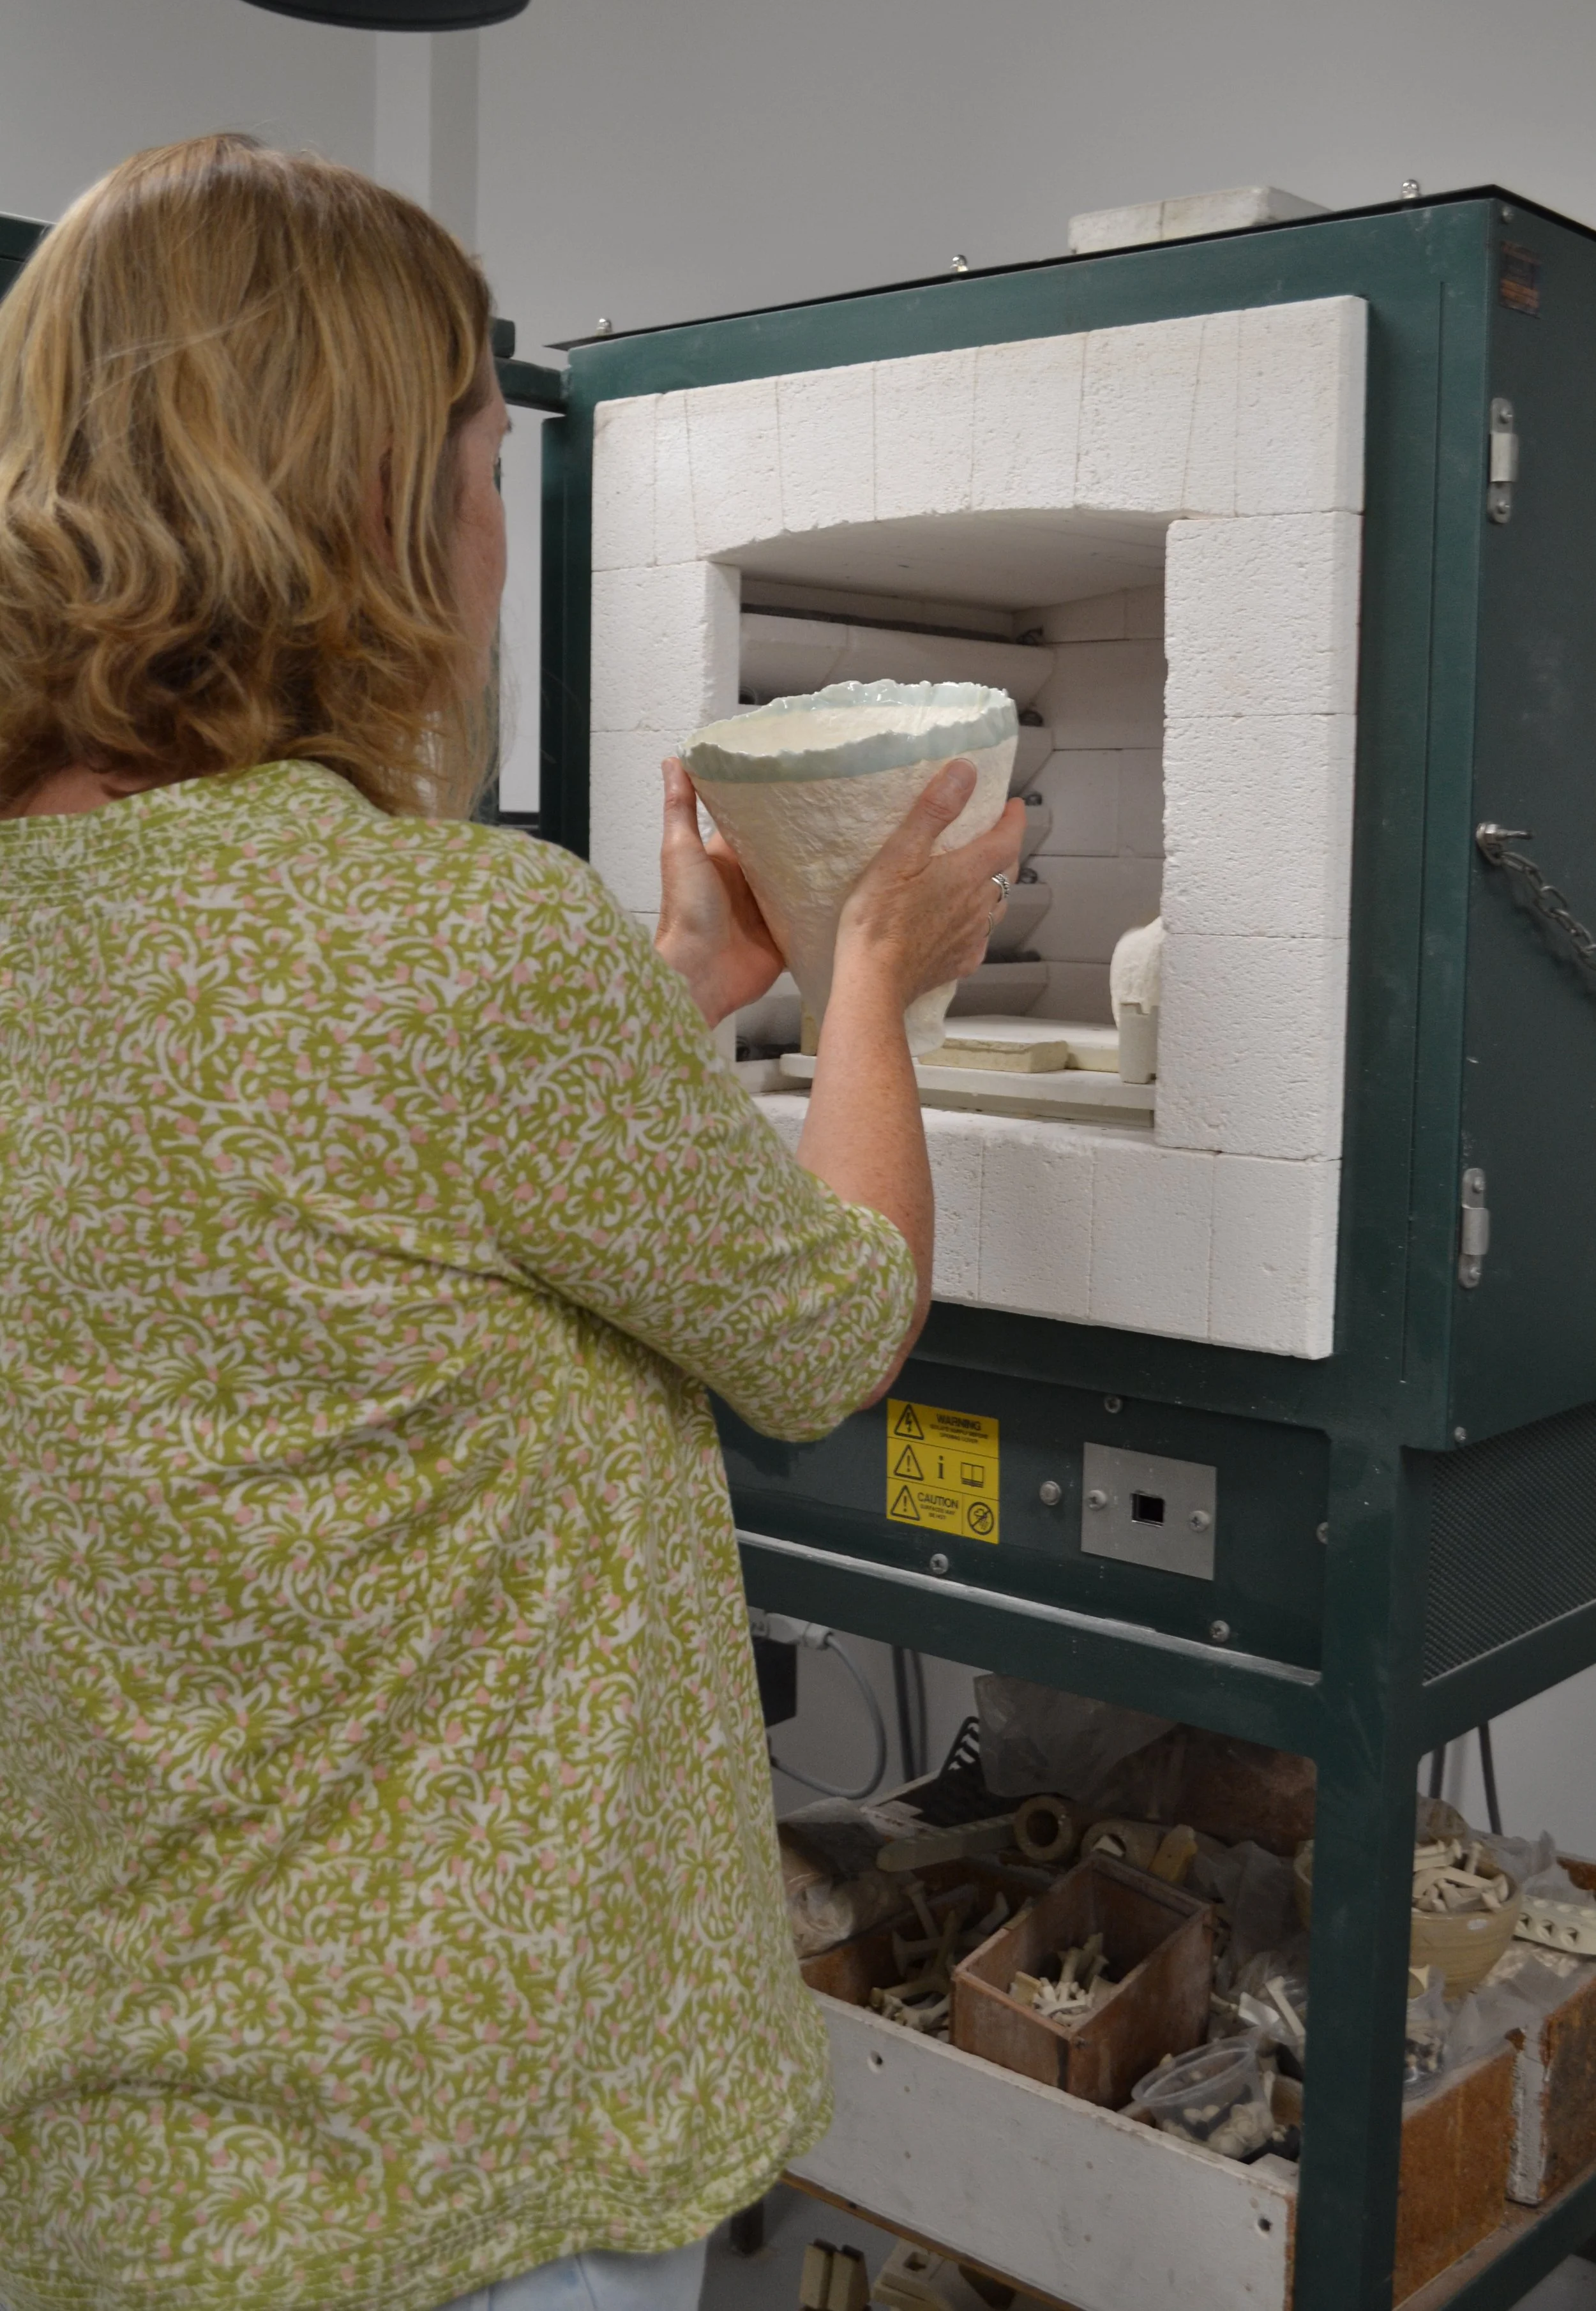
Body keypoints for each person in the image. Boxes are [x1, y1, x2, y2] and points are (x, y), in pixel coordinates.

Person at [0, 136, 1023, 2311]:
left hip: (113, 2157)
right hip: (461, 2165)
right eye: (480, 466)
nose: (495, 529)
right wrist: (871, 970)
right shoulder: (451, 942)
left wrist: (680, 996)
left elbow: (322, 1193)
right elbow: (836, 1326)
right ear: (359, 503)